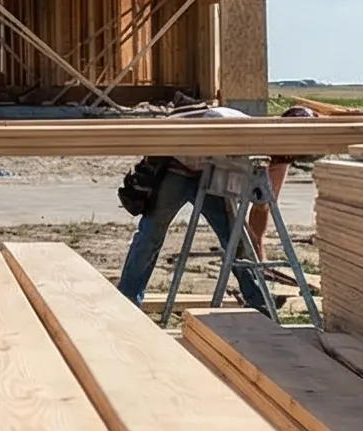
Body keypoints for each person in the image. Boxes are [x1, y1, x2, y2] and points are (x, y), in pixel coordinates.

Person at [113, 105, 315, 308]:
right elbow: (198, 124)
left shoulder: (280, 156)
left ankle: (259, 299)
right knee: (151, 234)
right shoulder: (233, 125)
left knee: (235, 237)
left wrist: (258, 243)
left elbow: (263, 205)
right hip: (179, 166)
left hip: (210, 173)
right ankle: (128, 298)